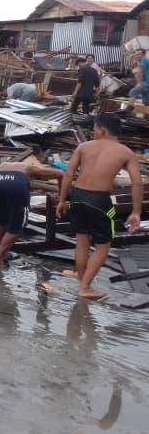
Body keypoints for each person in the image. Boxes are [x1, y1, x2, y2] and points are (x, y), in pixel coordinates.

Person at [56, 113, 142, 300]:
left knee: (82, 242)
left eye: (94, 129)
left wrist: (62, 200)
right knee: (103, 245)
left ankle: (83, 282)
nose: (93, 132)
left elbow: (68, 175)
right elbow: (136, 183)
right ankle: (85, 287)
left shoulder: (83, 147)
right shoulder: (125, 152)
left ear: (102, 129)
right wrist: (135, 211)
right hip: (99, 200)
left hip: (77, 196)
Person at [0, 160, 63, 269]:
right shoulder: (31, 168)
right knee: (18, 224)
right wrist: (61, 198)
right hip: (15, 182)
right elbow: (61, 174)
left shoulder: (2, 166)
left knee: (0, 218)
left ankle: (3, 255)